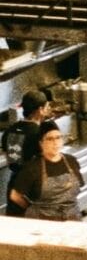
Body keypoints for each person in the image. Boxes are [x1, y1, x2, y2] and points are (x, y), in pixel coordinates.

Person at [10, 119, 83, 221]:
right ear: (41, 143)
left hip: (72, 218)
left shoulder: (71, 161)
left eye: (58, 137)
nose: (55, 142)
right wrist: (35, 209)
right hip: (44, 221)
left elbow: (79, 185)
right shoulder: (32, 168)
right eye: (50, 139)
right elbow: (15, 196)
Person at [2, 88, 50, 216]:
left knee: (17, 224)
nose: (48, 109)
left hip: (14, 187)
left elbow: (11, 159)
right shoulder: (40, 134)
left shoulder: (10, 131)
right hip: (34, 189)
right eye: (46, 107)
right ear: (40, 109)